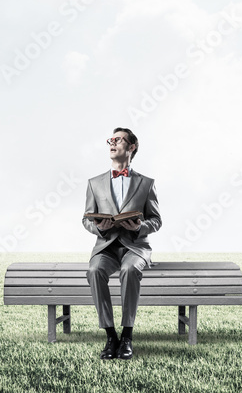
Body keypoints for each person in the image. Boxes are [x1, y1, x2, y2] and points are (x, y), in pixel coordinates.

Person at [82, 127, 161, 360]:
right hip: (106, 246)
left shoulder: (146, 183)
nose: (112, 143)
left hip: (135, 246)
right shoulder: (94, 183)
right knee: (94, 270)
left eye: (118, 140)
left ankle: (127, 335)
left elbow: (156, 220)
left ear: (131, 147)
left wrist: (139, 227)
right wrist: (98, 227)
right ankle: (110, 336)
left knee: (129, 269)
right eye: (111, 140)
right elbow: (85, 218)